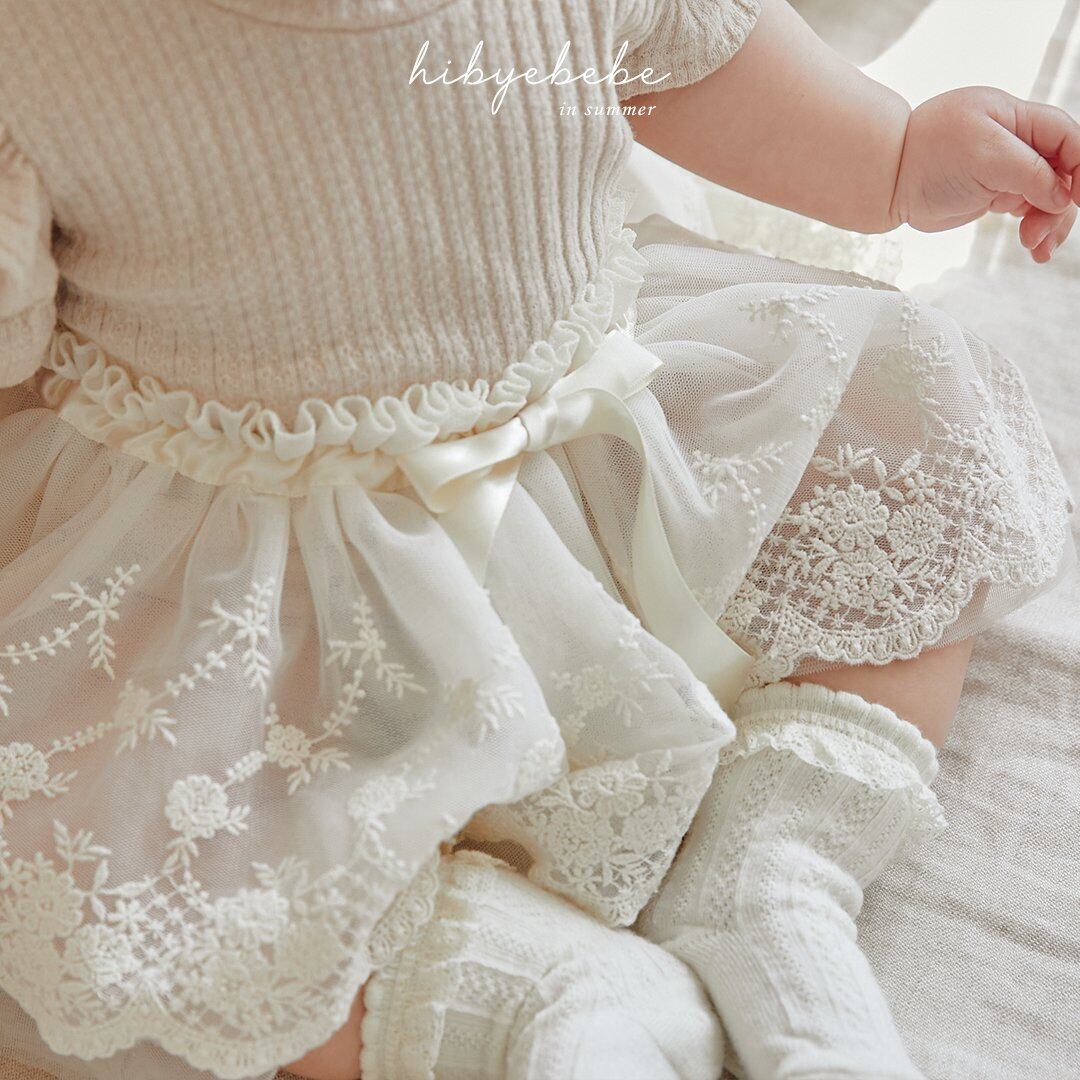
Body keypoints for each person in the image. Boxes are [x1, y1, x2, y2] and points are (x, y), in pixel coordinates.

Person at [0, 1, 1073, 1078]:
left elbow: (694, 61)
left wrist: (897, 155)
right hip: (257, 571)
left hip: (604, 449)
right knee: (124, 871)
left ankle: (778, 866)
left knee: (910, 425)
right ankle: (508, 984)